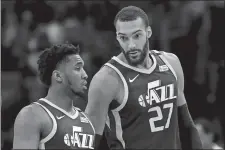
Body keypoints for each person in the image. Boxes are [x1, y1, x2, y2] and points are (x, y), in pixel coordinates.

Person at [85, 6, 202, 149]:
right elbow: (88, 140)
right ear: (117, 37)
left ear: (148, 32)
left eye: (137, 36)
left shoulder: (171, 63)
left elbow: (186, 125)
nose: (131, 45)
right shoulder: (106, 79)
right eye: (124, 38)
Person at [13, 44, 95, 149]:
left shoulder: (87, 122)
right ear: (58, 76)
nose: (85, 74)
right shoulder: (32, 115)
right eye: (78, 68)